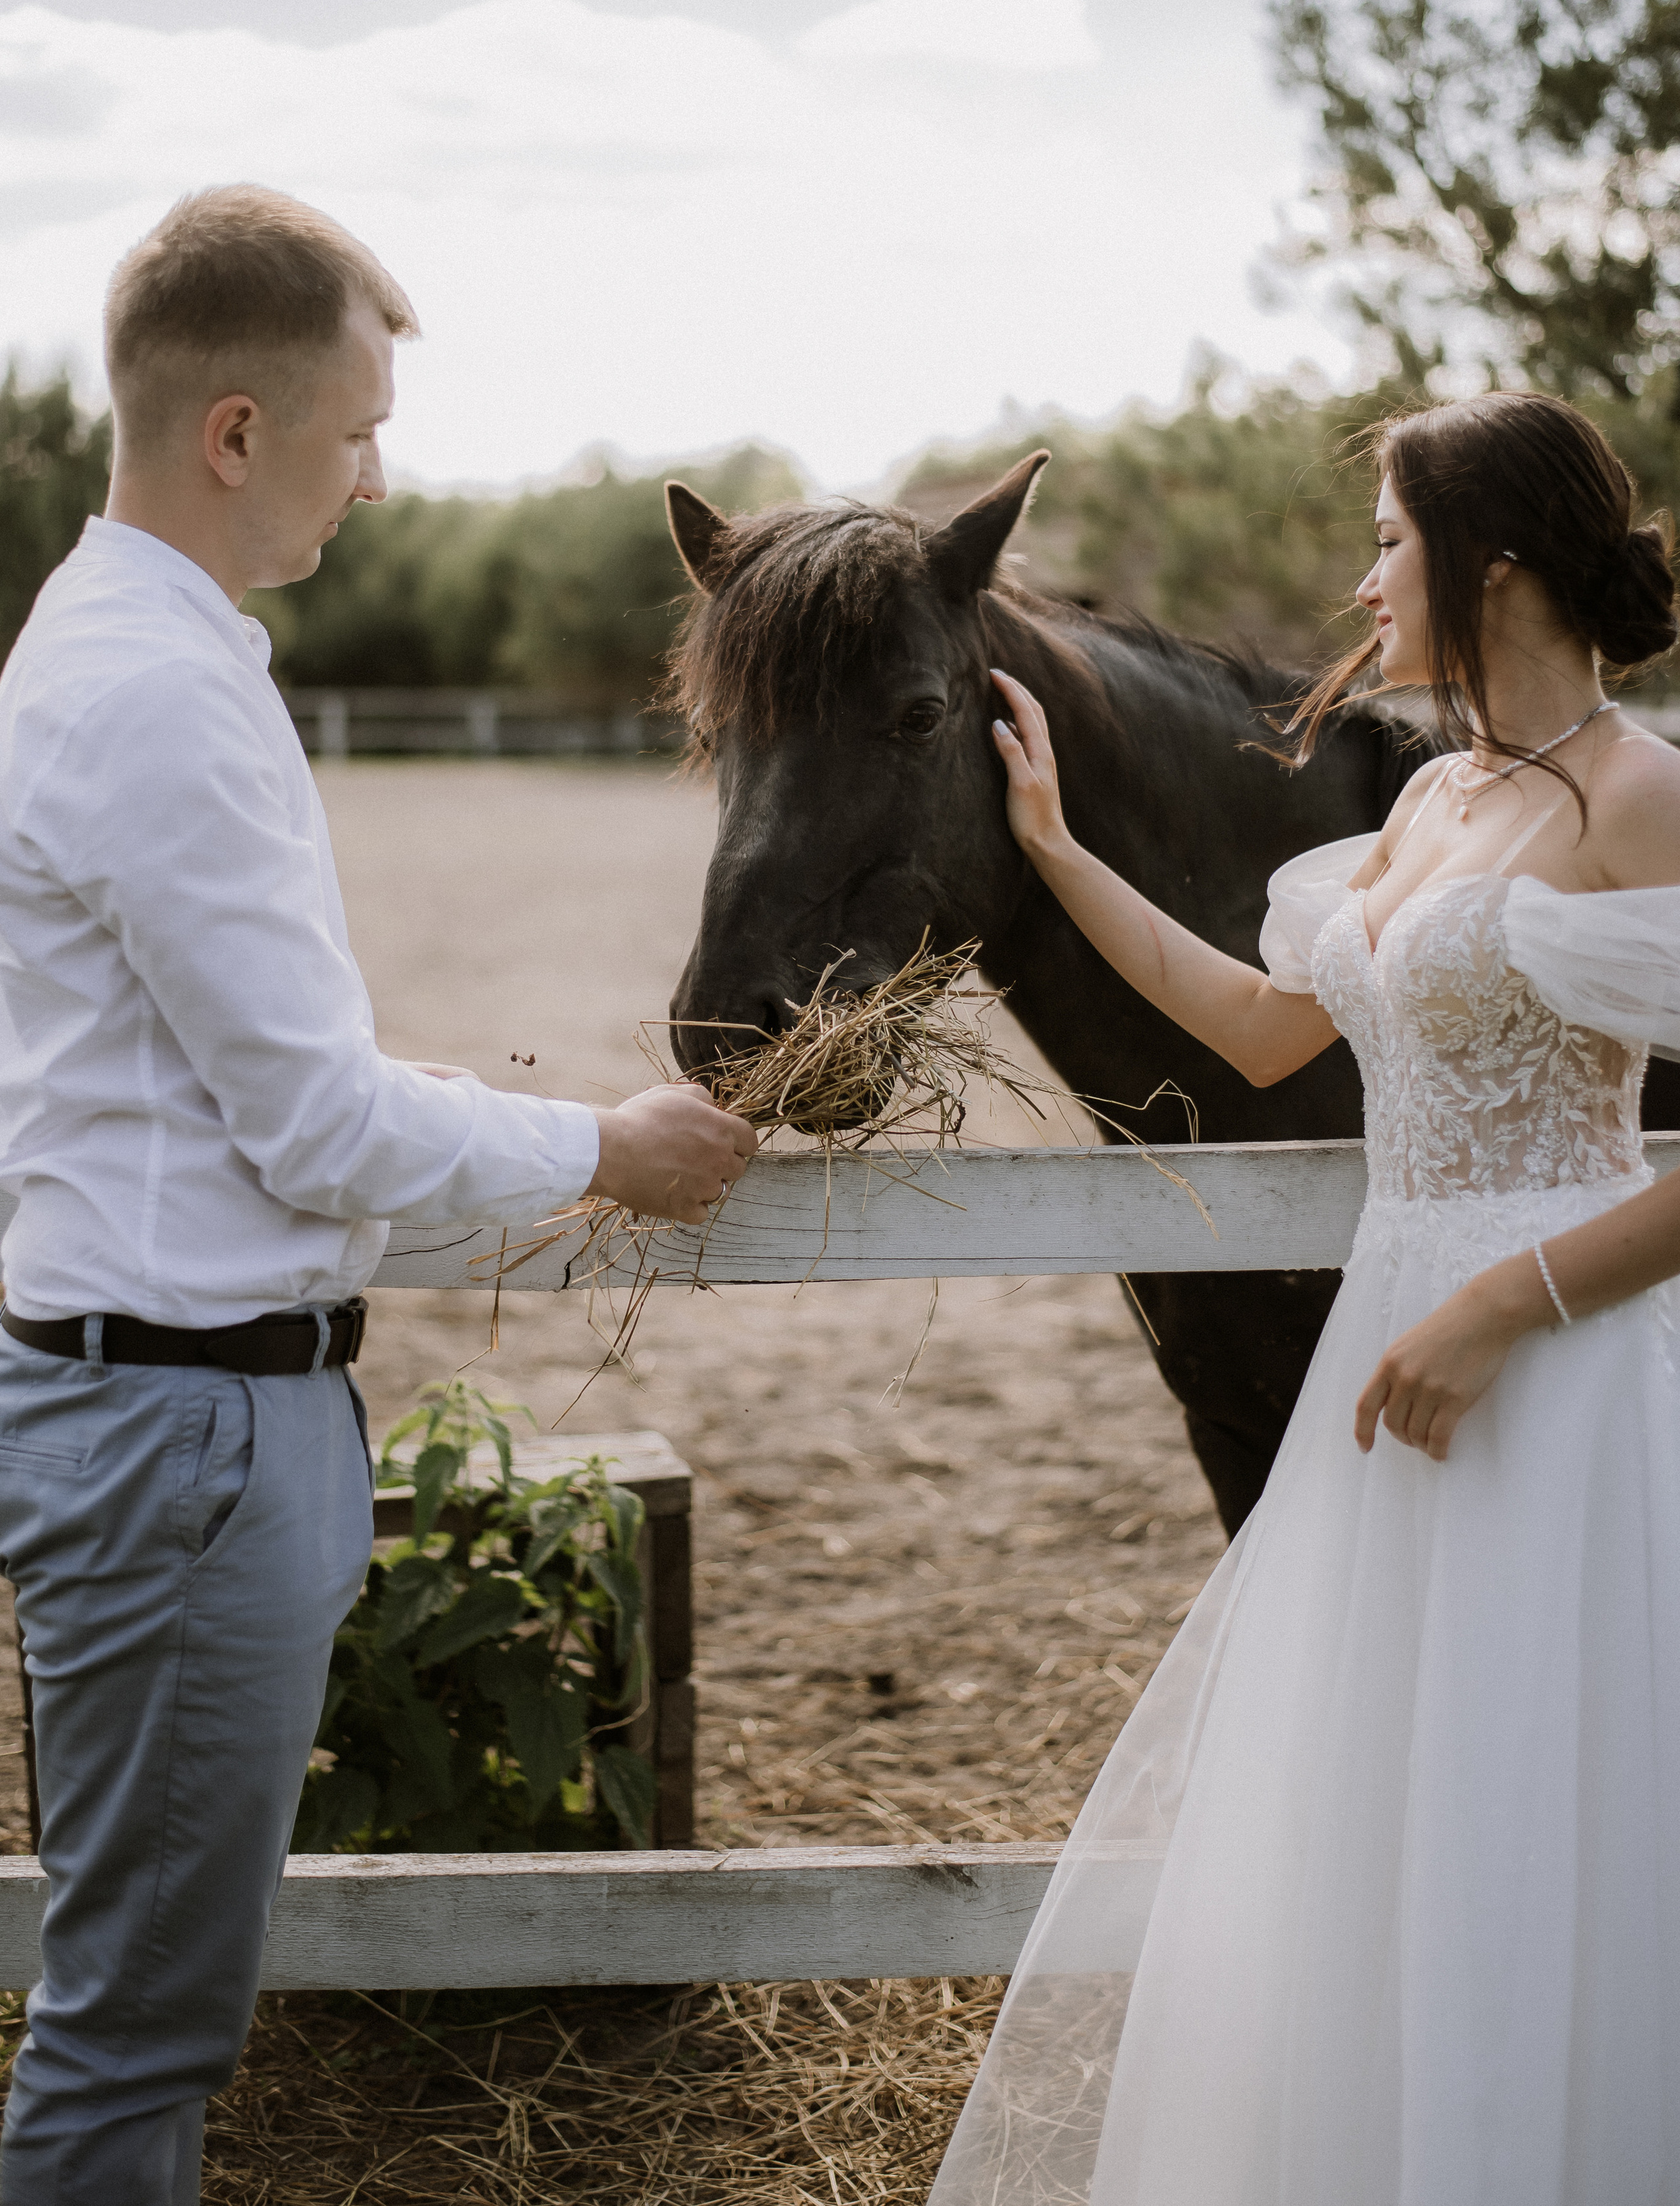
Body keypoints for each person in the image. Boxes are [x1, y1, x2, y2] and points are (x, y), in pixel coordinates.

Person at [0, 184, 756, 2203]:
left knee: (146, 2013)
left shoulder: (132, 652)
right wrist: (601, 1146)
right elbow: (319, 1130)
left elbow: (238, 1078)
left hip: (180, 1409)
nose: (381, 480)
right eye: (358, 432)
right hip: (182, 1431)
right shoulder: (155, 695)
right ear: (235, 429)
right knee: (134, 2032)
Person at [930, 390, 1680, 2205]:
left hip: (1558, 1362)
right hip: (1393, 1345)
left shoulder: (1645, 794)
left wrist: (1507, 1305)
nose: (1363, 583)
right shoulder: (1432, 796)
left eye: (1388, 541)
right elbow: (1266, 1026)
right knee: (1383, 1799)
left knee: (1536, 1795)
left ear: (1490, 562)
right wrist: (1057, 850)